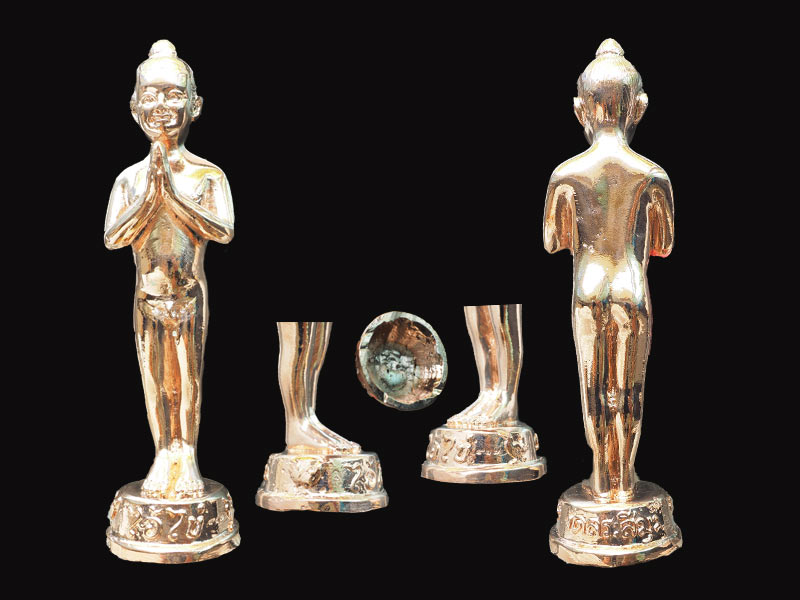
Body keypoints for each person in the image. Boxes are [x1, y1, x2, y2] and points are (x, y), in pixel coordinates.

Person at [544, 39, 674, 501]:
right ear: (638, 108)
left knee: (594, 389)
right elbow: (663, 246)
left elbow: (554, 241)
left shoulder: (565, 174)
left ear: (580, 110)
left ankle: (602, 478)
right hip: (631, 287)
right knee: (629, 392)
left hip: (588, 287)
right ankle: (625, 480)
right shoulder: (652, 174)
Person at [104, 40, 234, 499]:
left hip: (189, 296)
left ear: (195, 105)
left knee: (188, 380)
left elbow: (222, 231)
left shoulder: (207, 175)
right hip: (147, 297)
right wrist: (152, 193)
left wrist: (171, 193)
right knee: (156, 381)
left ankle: (187, 455)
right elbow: (114, 237)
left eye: (174, 94)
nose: (162, 105)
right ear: (135, 106)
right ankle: (164, 453)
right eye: (151, 95)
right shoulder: (130, 179)